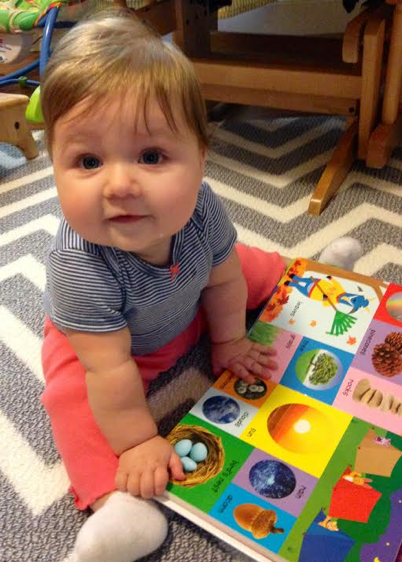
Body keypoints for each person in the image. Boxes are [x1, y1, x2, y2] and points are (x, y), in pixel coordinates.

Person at [40, 11, 362, 562]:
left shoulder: (202, 211)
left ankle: (308, 275)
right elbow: (109, 371)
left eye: (151, 156)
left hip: (186, 298)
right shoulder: (79, 265)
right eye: (88, 161)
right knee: (72, 395)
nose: (119, 184)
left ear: (201, 159)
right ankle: (114, 503)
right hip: (113, 347)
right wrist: (139, 441)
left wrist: (231, 341)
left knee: (243, 264)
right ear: (53, 167)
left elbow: (225, 278)